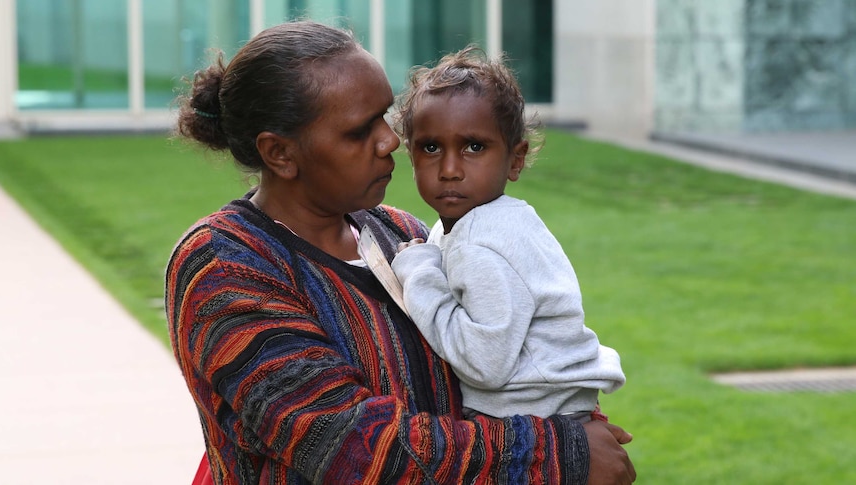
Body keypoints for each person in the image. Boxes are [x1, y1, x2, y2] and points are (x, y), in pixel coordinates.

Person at [168, 20, 635, 484]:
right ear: (280, 154)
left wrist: (576, 417)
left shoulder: (399, 233)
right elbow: (349, 446)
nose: (391, 141)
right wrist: (560, 452)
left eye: (386, 117)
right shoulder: (225, 265)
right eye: (359, 131)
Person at [390, 47, 626, 422]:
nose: (450, 169)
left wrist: (420, 276)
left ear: (515, 159)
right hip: (549, 408)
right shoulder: (492, 220)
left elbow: (485, 364)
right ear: (411, 153)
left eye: (474, 147)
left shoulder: (480, 244)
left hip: (540, 421)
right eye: (431, 147)